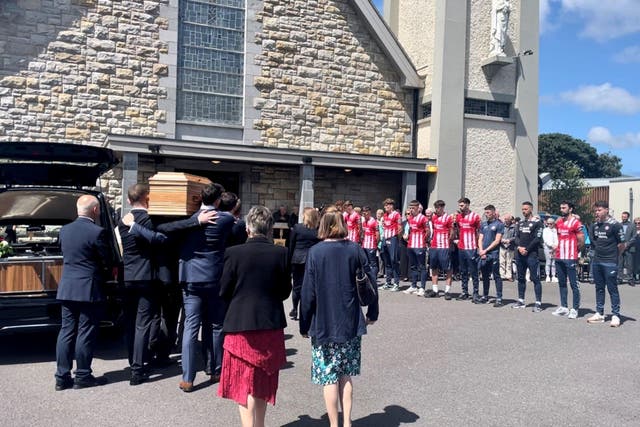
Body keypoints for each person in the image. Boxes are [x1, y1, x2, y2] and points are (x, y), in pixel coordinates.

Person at [119, 183, 216, 385]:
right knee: (145, 323)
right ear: (148, 198)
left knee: (134, 323)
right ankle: (138, 368)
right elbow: (165, 233)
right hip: (149, 276)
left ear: (128, 200)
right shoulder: (148, 219)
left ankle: (139, 360)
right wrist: (196, 220)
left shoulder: (122, 221)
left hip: (128, 277)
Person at [300, 209, 378, 427]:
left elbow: (308, 293)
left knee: (329, 376)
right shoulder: (355, 250)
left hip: (323, 322)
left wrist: (304, 323)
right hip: (350, 320)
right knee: (345, 374)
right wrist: (373, 312)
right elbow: (370, 282)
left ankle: (334, 423)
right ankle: (347, 422)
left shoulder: (315, 252)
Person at [218, 206, 291, 427]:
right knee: (262, 382)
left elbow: (224, 290)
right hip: (269, 323)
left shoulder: (234, 252)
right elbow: (285, 291)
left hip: (240, 323)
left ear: (248, 227)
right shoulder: (281, 253)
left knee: (242, 383)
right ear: (270, 229)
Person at [177, 183, 236, 391]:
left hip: (191, 277)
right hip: (214, 276)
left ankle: (188, 377)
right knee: (215, 325)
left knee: (190, 328)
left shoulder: (188, 220)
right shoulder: (226, 219)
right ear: (218, 200)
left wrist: (194, 218)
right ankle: (215, 370)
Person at [55, 195, 111, 390]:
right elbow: (106, 261)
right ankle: (83, 375)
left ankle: (62, 377)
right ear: (95, 210)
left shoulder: (64, 230)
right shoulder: (97, 232)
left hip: (67, 287)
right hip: (88, 288)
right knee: (85, 332)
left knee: (66, 331)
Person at [587, 201, 625, 327]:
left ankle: (615, 315)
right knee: (599, 288)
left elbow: (622, 244)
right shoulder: (595, 225)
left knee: (612, 288)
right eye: (596, 210)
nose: (597, 212)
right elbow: (595, 241)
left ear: (606, 210)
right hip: (597, 261)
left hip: (610, 262)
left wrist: (615, 257)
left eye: (599, 210)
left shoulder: (615, 225)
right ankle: (599, 313)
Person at [551, 201, 584, 319]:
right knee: (562, 283)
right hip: (559, 256)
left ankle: (575, 308)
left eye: (564, 207)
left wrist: (575, 251)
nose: (561, 209)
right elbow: (553, 227)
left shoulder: (576, 222)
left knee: (574, 284)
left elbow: (581, 240)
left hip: (570, 257)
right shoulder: (559, 222)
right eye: (560, 207)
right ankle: (564, 307)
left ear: (570, 209)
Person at [288, 207, 320, 320]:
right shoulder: (317, 230)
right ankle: (308, 310)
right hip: (312, 260)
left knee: (297, 286)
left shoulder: (297, 228)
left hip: (297, 259)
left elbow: (291, 245)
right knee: (311, 286)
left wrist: (289, 261)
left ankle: (295, 308)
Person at [512, 201, 544, 312]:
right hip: (520, 255)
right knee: (520, 278)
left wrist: (527, 249)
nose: (523, 211)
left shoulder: (538, 223)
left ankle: (538, 303)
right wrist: (520, 247)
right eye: (522, 209)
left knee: (535, 278)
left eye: (525, 209)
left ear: (531, 209)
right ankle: (521, 300)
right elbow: (516, 237)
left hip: (531, 255)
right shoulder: (520, 223)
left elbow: (537, 239)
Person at [453, 197, 481, 303]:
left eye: (462, 205)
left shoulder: (475, 217)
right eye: (459, 205)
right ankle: (465, 292)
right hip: (461, 247)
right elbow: (458, 229)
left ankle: (476, 293)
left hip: (471, 247)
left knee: (473, 271)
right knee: (463, 271)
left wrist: (478, 246)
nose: (460, 207)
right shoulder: (459, 217)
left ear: (468, 205)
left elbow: (479, 231)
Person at [478, 205, 504, 306]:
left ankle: (499, 298)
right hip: (483, 254)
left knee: (496, 276)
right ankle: (485, 296)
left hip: (493, 254)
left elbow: (497, 241)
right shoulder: (483, 224)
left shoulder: (499, 224)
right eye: (485, 213)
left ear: (493, 212)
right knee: (484, 276)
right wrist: (481, 251)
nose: (486, 214)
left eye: (488, 212)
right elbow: (480, 238)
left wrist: (486, 250)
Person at [428, 200, 454, 299]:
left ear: (442, 208)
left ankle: (447, 291)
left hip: (444, 246)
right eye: (436, 208)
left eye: (439, 208)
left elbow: (451, 232)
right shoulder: (434, 217)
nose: (437, 210)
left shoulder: (448, 218)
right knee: (434, 268)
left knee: (448, 268)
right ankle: (435, 290)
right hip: (434, 246)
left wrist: (449, 242)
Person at [403, 201, 429, 296]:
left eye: (413, 208)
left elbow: (427, 232)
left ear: (418, 208)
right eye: (410, 208)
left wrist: (423, 241)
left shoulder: (423, 218)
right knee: (413, 266)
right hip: (410, 245)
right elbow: (409, 230)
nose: (411, 210)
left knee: (422, 267)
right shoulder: (410, 219)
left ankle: (422, 287)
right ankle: (413, 286)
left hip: (420, 246)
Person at [379, 198, 402, 291]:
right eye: (384, 205)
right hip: (385, 238)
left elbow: (400, 229)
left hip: (393, 239)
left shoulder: (396, 215)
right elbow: (384, 227)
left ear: (391, 206)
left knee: (394, 260)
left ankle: (396, 283)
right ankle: (388, 282)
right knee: (386, 261)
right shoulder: (384, 215)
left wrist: (397, 240)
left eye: (387, 205)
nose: (385, 207)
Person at [361, 206, 380, 284]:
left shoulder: (374, 221)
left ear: (369, 212)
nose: (364, 213)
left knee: (373, 264)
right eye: (363, 212)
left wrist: (375, 244)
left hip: (371, 245)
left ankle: (373, 280)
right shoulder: (364, 222)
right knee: (366, 263)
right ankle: (368, 279)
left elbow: (377, 234)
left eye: (366, 211)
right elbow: (363, 233)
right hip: (364, 245)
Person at [499, 214, 516, 281]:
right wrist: (501, 240)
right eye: (505, 219)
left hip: (510, 246)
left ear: (510, 220)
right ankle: (502, 275)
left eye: (507, 219)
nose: (506, 221)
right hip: (502, 246)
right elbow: (498, 234)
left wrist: (510, 240)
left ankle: (508, 275)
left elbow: (516, 236)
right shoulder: (502, 226)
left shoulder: (514, 227)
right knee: (502, 261)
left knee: (509, 262)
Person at [542, 217, 558, 282]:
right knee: (548, 262)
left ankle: (553, 276)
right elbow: (545, 239)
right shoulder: (545, 230)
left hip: (555, 248)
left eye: (551, 223)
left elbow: (557, 238)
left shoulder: (555, 230)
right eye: (548, 223)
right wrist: (551, 245)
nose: (549, 225)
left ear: (553, 224)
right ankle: (548, 276)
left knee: (554, 262)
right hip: (547, 248)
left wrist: (556, 245)